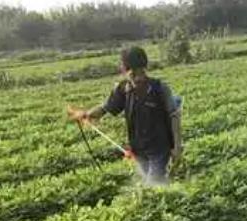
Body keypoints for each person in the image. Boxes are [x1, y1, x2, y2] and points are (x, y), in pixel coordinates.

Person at [69, 46, 182, 185]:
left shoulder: (159, 88)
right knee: (150, 185)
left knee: (155, 186)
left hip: (159, 148)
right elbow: (105, 108)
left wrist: (177, 146)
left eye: (123, 65)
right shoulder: (123, 89)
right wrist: (85, 114)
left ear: (129, 68)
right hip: (138, 149)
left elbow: (174, 116)